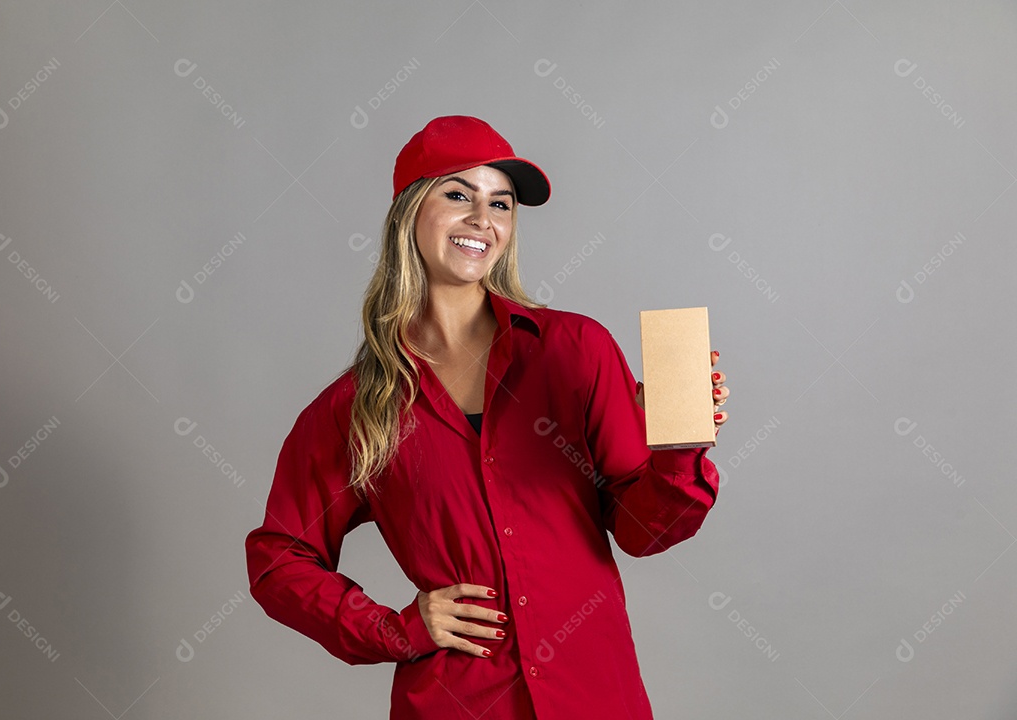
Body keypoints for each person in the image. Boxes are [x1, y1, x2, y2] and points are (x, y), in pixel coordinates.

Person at [244, 115, 730, 719]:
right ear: (408, 213)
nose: (483, 219)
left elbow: (643, 532)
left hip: (594, 697)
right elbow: (279, 559)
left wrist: (678, 447)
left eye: (500, 204)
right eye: (458, 195)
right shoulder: (356, 407)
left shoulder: (574, 351)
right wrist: (394, 629)